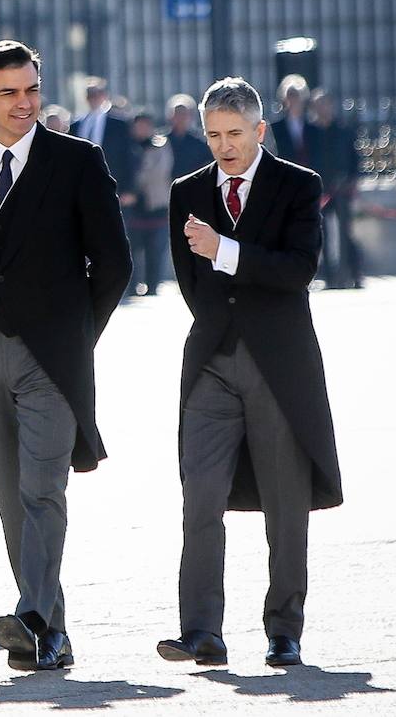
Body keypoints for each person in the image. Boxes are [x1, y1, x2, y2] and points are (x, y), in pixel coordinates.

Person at [0, 41, 131, 672]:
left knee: (44, 489)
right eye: (10, 92)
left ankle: (35, 617)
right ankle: (51, 631)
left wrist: (76, 333)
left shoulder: (78, 162)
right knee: (12, 497)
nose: (25, 104)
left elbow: (116, 263)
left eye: (32, 90)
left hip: (54, 357)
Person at [161, 77, 343, 670]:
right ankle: (200, 631)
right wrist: (225, 280)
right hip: (211, 362)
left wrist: (227, 252)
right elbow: (194, 290)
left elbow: (298, 271)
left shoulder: (297, 185)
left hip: (279, 365)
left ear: (259, 131)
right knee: (200, 498)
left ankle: (284, 629)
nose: (223, 146)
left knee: (285, 504)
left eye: (234, 134)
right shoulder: (186, 190)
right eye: (213, 134)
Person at [309, 90, 363, 289]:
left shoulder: (343, 130)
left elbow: (354, 158)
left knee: (346, 232)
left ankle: (355, 274)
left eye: (325, 104)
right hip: (320, 189)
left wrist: (352, 180)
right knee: (322, 235)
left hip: (342, 189)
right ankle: (331, 276)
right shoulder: (311, 133)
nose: (322, 109)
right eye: (318, 105)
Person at [128, 112, 173, 296]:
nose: (142, 129)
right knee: (133, 248)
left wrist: (134, 184)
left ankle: (152, 285)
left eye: (146, 125)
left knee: (155, 247)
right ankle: (132, 285)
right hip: (134, 207)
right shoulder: (128, 146)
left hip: (155, 204)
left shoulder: (161, 145)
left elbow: (159, 171)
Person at [73, 77, 134, 192]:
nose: (93, 98)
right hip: (83, 183)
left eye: (97, 94)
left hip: (112, 182)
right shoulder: (76, 125)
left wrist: (129, 189)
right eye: (90, 95)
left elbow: (128, 156)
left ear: (104, 95)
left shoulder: (119, 125)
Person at [267, 75, 318, 168]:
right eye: (290, 96)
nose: (294, 100)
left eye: (296, 96)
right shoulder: (275, 127)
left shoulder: (314, 128)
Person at [165, 94, 213, 180]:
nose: (180, 118)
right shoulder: (163, 142)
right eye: (177, 114)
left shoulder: (200, 143)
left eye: (184, 114)